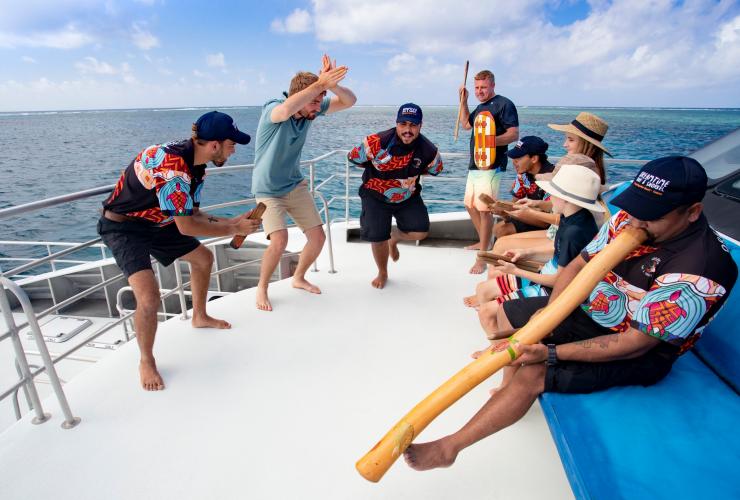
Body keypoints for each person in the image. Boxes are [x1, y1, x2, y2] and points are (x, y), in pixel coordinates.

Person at [404, 156, 737, 471]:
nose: (635, 221)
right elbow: (579, 264)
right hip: (588, 312)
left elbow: (637, 342)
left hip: (637, 349)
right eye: (636, 209)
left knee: (533, 372)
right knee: (517, 327)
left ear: (692, 212)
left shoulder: (700, 269)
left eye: (650, 215)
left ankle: (449, 448)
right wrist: (549, 317)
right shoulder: (628, 219)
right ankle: (507, 393)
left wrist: (549, 349)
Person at [98, 111, 262, 391]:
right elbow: (187, 226)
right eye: (232, 144)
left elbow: (193, 214)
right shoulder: (174, 167)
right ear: (214, 145)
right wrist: (233, 230)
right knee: (149, 298)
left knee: (203, 258)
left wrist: (234, 222)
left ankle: (199, 316)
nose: (234, 150)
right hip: (125, 228)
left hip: (159, 222)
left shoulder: (196, 167)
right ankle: (146, 360)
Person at [251, 54, 356, 311]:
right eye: (314, 101)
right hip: (267, 190)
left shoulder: (312, 107)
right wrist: (320, 84)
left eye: (319, 102)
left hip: (293, 185)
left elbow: (349, 101)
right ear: (302, 95)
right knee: (279, 241)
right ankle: (262, 287)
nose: (317, 107)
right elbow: (285, 110)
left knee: (318, 237)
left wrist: (329, 85)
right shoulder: (273, 108)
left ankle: (298, 277)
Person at [476, 164, 601, 338]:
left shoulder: (575, 232)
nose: (550, 199)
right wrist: (525, 253)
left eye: (553, 195)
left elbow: (558, 282)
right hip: (545, 275)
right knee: (483, 290)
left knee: (486, 312)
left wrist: (517, 271)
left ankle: (499, 351)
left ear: (566, 199)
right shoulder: (573, 218)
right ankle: (499, 342)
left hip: (551, 289)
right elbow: (558, 254)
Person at [489, 112, 610, 260]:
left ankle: (508, 280)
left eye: (570, 140)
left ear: (587, 144)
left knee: (501, 245)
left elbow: (573, 220)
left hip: (567, 237)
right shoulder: (584, 167)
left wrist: (531, 213)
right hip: (558, 231)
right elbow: (565, 208)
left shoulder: (583, 172)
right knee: (501, 239)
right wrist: (536, 203)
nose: (564, 144)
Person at [348, 103, 443, 289]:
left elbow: (434, 169)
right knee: (377, 237)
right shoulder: (376, 141)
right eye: (403, 124)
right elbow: (354, 158)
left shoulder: (429, 149)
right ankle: (383, 272)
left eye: (413, 125)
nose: (408, 129)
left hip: (407, 196)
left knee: (421, 232)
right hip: (374, 194)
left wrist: (404, 177)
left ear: (420, 126)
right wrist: (377, 170)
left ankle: (394, 237)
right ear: (396, 123)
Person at [458, 70, 519, 274]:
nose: (479, 91)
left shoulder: (504, 104)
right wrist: (464, 101)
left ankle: (483, 257)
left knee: (485, 210)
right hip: (475, 163)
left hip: (492, 164)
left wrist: (490, 142)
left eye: (483, 87)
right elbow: (466, 125)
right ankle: (484, 241)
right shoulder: (479, 107)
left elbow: (513, 134)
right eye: (476, 88)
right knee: (470, 205)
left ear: (493, 85)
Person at [493, 136, 554, 238]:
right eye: (513, 158)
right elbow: (514, 204)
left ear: (534, 159)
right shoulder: (523, 175)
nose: (514, 162)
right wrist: (503, 211)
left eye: (518, 158)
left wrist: (510, 211)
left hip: (549, 223)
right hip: (532, 217)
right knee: (497, 228)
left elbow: (546, 221)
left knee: (504, 231)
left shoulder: (551, 177)